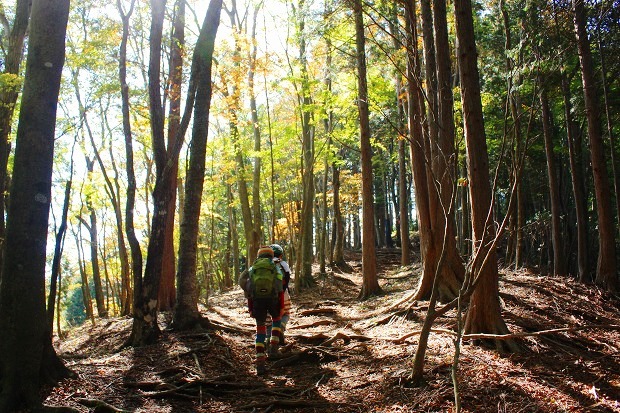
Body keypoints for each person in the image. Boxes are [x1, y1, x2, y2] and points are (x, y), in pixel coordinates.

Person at [240, 246, 284, 375]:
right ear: (271, 255)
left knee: (260, 327)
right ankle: (274, 349)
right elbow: (280, 287)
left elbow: (244, 285)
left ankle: (260, 363)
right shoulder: (274, 267)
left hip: (257, 301)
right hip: (273, 299)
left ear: (259, 256)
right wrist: (281, 306)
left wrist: (250, 307)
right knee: (276, 320)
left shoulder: (253, 268)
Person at [267, 244, 292, 345]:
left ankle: (268, 341)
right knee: (285, 313)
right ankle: (281, 327)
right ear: (281, 255)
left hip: (266, 296)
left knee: (269, 319)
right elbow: (287, 279)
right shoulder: (283, 264)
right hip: (283, 294)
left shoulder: (264, 264)